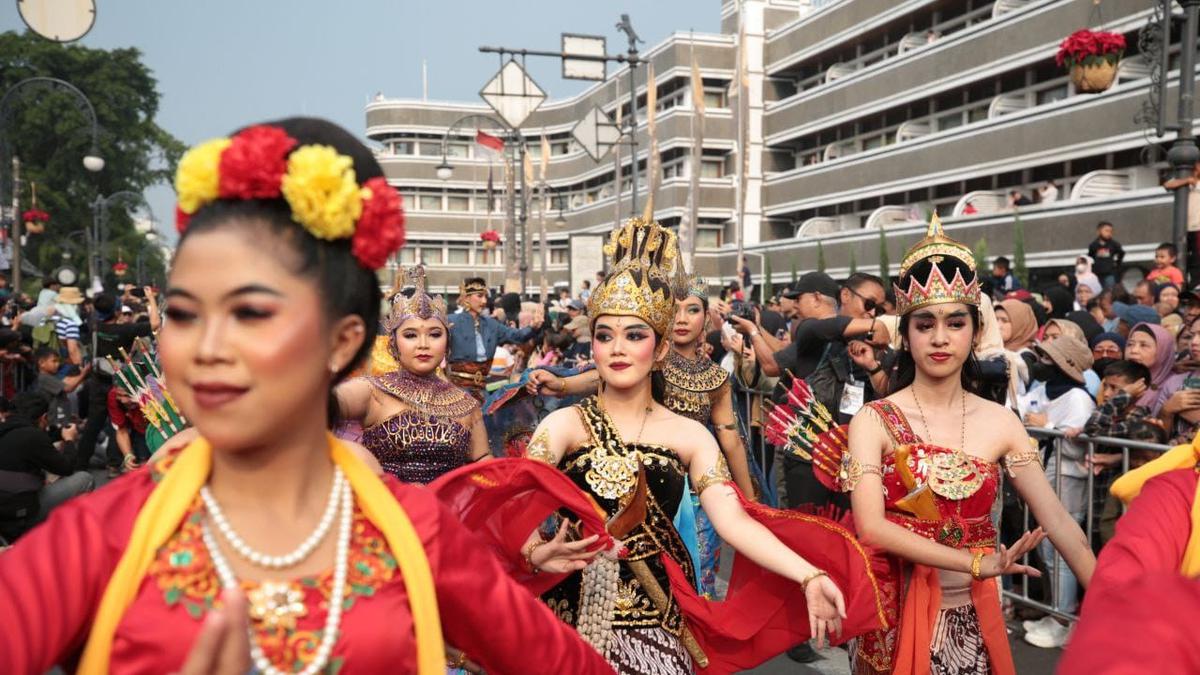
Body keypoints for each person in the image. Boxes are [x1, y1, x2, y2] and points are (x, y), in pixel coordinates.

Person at [0, 118, 611, 674]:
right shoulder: (108, 532)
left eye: (251, 313)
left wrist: (522, 542)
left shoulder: (410, 531)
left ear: (341, 341)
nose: (207, 347)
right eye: (184, 314)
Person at [485, 216, 882, 673]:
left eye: (634, 335)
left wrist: (808, 574)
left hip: (657, 627)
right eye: (604, 335)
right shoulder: (563, 426)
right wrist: (534, 551)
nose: (617, 348)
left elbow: (732, 520)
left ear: (658, 350)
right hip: (569, 627)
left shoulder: (688, 435)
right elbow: (512, 504)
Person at [843, 214, 1095, 674]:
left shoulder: (1001, 422)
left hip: (973, 621)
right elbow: (872, 529)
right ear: (905, 336)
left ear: (975, 332)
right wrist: (978, 563)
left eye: (955, 323)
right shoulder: (874, 419)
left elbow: (1059, 521)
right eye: (925, 325)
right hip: (895, 619)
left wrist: (1115, 606)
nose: (940, 338)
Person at [336, 266, 489, 484]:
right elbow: (319, 406)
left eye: (434, 334)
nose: (423, 344)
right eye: (410, 335)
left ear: (447, 342)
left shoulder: (466, 404)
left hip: (446, 505)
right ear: (393, 343)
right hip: (387, 505)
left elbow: (483, 462)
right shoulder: (372, 391)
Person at [1019, 335, 1096, 648]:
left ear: (1064, 364)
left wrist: (1047, 426)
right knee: (1048, 549)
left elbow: (1078, 445)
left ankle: (1064, 620)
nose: (1041, 364)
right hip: (1045, 474)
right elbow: (1020, 412)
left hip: (1069, 479)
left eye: (1048, 359)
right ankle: (1056, 613)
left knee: (1064, 550)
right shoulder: (1042, 389)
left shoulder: (1078, 398)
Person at [0, 391, 94, 542]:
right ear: (44, 417)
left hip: (4, 517)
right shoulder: (32, 436)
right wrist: (69, 440)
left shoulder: (7, 430)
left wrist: (58, 433)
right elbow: (67, 468)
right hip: (21, 518)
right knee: (84, 479)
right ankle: (70, 537)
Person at [447, 276, 541, 398]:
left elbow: (517, 336)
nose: (484, 301)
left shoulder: (491, 325)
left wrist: (533, 327)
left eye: (485, 297)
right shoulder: (451, 322)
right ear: (466, 298)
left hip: (483, 389)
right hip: (457, 390)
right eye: (480, 296)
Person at [1124, 322, 1181, 416]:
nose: (1134, 350)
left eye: (1143, 345)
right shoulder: (1117, 376)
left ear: (1163, 351)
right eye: (1130, 344)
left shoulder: (1175, 385)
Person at [32, 347, 89, 427]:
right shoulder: (44, 378)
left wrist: (69, 416)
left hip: (62, 418)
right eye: (54, 361)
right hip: (55, 421)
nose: (57, 364)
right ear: (41, 363)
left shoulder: (51, 377)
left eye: (58, 361)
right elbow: (68, 388)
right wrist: (84, 373)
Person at [1087, 221, 1124, 290]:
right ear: (1099, 231)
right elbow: (1090, 257)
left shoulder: (1114, 244)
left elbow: (1121, 253)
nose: (1109, 233)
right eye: (1106, 231)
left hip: (1109, 273)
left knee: (1110, 290)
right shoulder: (1093, 245)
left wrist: (1117, 263)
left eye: (1111, 231)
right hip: (1097, 274)